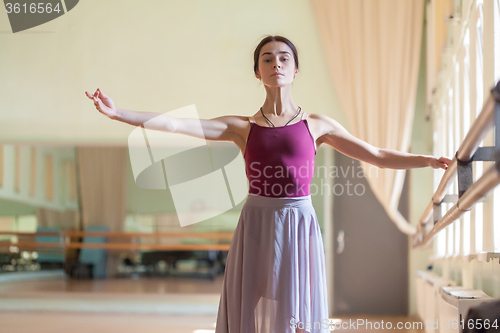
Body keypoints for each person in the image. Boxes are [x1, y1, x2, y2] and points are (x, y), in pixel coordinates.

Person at [85, 35, 451, 333]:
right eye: (267, 59)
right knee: (253, 301)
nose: (276, 63)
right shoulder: (242, 127)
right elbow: (178, 125)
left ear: (295, 70)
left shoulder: (317, 125)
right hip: (257, 222)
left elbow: (375, 154)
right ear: (257, 72)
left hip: (299, 221)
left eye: (283, 58)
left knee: (299, 309)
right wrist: (119, 114)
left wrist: (428, 161)